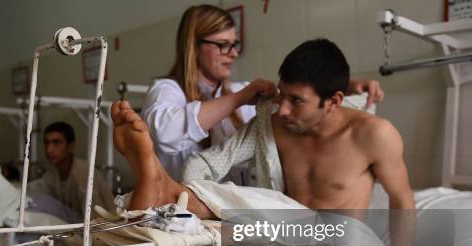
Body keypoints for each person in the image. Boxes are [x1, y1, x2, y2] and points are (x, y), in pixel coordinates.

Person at [110, 38, 456, 246]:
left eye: (296, 101)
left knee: (277, 219)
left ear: (334, 101)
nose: (283, 109)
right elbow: (206, 162)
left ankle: (170, 197)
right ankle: (176, 204)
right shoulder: (271, 124)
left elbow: (403, 201)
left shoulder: (374, 135)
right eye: (282, 95)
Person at [142, 4, 385, 181]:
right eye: (223, 45)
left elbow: (300, 95)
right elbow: (165, 134)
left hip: (230, 218)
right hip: (184, 215)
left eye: (234, 44)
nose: (233, 53)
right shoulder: (167, 90)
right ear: (192, 46)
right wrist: (239, 99)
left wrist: (344, 85)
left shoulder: (241, 92)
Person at [28, 122, 115, 221]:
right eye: (46, 143)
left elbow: (96, 220)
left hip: (104, 228)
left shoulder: (83, 173)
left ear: (71, 146)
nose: (49, 149)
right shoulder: (52, 173)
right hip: (78, 224)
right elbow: (35, 191)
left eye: (56, 143)